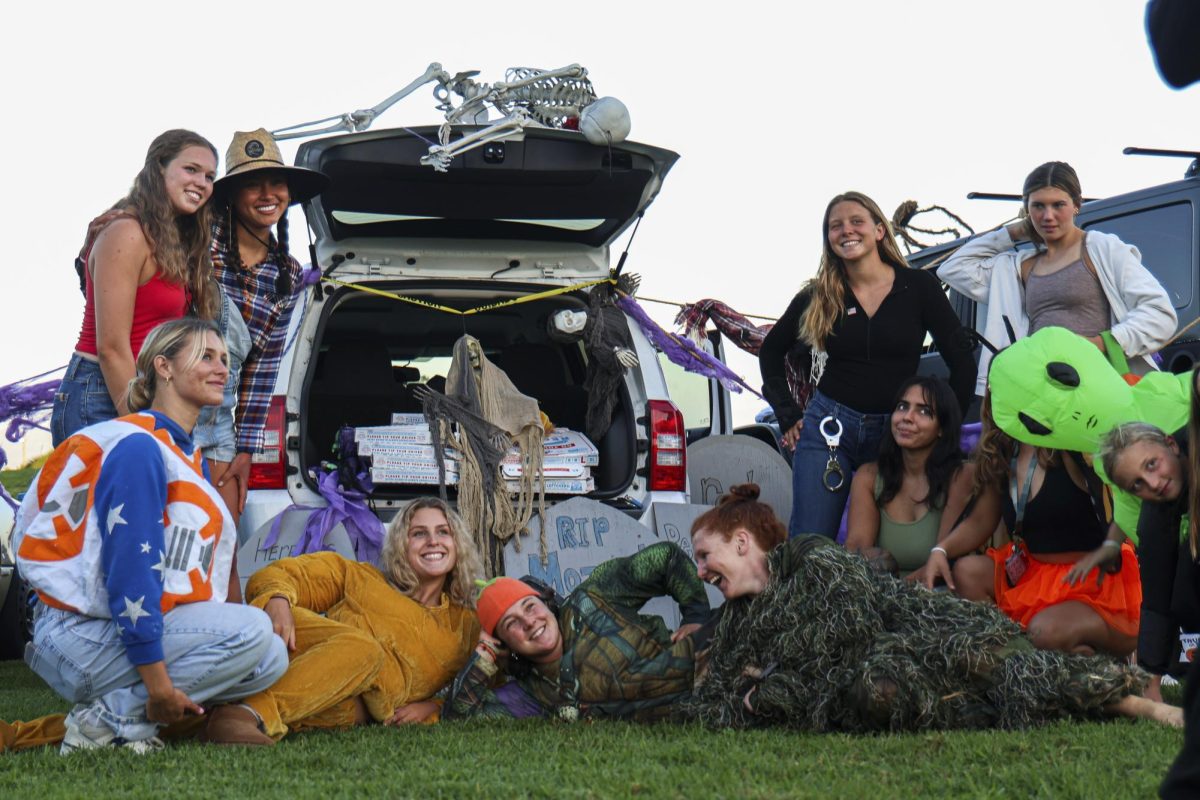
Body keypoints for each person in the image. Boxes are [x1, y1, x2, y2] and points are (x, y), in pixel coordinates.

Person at [684, 484, 1180, 732]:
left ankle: (1132, 700)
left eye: (706, 556)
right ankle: (1091, 696)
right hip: (878, 676)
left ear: (743, 541)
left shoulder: (811, 557)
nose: (703, 571)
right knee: (883, 694)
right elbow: (711, 704)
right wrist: (754, 698)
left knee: (993, 663)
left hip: (925, 630)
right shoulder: (739, 619)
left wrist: (769, 684)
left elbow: (849, 627)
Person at [13, 318, 288, 753]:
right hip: (77, 631)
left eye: (224, 359)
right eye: (206, 357)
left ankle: (111, 714)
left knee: (270, 657)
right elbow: (132, 571)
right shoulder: (138, 446)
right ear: (164, 367)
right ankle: (108, 722)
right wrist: (158, 683)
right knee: (253, 630)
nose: (222, 369)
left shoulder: (185, 454)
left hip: (111, 629)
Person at [759, 191, 976, 539]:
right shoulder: (819, 295)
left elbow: (962, 362)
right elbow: (771, 352)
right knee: (811, 542)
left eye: (856, 221)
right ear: (828, 239)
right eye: (835, 226)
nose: (846, 230)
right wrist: (787, 414)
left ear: (879, 230)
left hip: (898, 432)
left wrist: (943, 430)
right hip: (830, 428)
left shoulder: (919, 287)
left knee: (889, 544)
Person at [201, 497, 483, 744]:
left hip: (341, 699)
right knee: (363, 649)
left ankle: (221, 717)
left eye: (443, 532)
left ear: (457, 545)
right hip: (299, 647)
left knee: (347, 707)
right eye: (419, 533)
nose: (433, 541)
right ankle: (250, 713)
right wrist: (277, 599)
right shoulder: (360, 577)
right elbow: (282, 574)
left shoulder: (465, 625)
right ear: (401, 545)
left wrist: (435, 706)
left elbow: (489, 687)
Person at [910, 392, 1141, 658]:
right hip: (1033, 572)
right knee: (967, 572)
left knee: (1044, 632)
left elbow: (1122, 500)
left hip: (1093, 581)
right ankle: (1021, 665)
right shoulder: (1004, 450)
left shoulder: (1070, 444)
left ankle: (1100, 665)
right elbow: (981, 520)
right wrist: (941, 551)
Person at [938, 161, 1176, 398]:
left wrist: (1102, 343)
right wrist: (1013, 232)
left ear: (1077, 205)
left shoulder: (1102, 248)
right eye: (1038, 206)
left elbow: (1159, 312)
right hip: (1041, 394)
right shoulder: (1020, 267)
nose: (1048, 216)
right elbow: (952, 268)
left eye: (1058, 205)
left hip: (1101, 388)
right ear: (1027, 209)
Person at [193, 129, 329, 529]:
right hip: (163, 410)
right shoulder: (196, 246)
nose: (268, 194)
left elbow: (262, 368)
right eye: (252, 184)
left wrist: (246, 450)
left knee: (218, 540)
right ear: (231, 196)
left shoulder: (285, 273)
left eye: (277, 183)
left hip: (218, 422)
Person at [51, 130, 221, 446]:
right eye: (191, 169)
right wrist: (144, 426)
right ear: (158, 169)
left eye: (210, 176)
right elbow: (111, 347)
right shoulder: (128, 232)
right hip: (104, 392)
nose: (202, 182)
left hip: (150, 389)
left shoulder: (179, 241)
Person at [444, 542, 710, 721]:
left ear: (547, 604)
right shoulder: (531, 694)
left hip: (706, 658)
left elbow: (665, 557)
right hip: (701, 707)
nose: (529, 622)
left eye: (529, 606)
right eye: (511, 624)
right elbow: (460, 715)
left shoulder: (590, 598)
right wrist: (484, 653)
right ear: (505, 645)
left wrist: (696, 615)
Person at [844, 376, 973, 576]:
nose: (907, 417)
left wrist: (900, 594)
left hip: (941, 594)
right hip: (880, 595)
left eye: (924, 411)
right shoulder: (868, 477)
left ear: (942, 428)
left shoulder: (961, 476)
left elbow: (941, 564)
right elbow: (857, 549)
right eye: (903, 407)